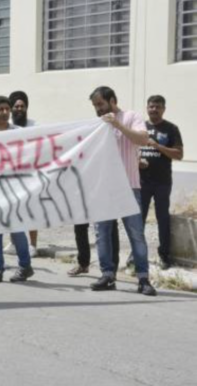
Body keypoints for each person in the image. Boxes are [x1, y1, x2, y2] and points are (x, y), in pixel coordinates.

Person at [88, 86, 157, 296]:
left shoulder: (131, 116)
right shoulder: (96, 125)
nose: (98, 109)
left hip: (129, 187)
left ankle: (143, 279)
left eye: (100, 104)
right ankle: (107, 274)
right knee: (102, 234)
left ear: (112, 100)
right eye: (95, 106)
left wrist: (117, 124)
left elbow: (143, 140)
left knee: (136, 234)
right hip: (104, 189)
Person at [0, 96, 34, 284]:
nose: (4, 113)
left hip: (15, 188)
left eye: (7, 109)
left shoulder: (19, 133)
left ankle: (25, 266)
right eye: (0, 109)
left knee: (17, 229)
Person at [139, 95, 183, 270]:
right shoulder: (139, 128)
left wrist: (158, 146)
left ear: (163, 109)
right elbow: (131, 149)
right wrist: (137, 161)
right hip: (141, 182)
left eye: (157, 107)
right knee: (138, 220)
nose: (153, 110)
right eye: (151, 107)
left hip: (162, 182)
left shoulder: (171, 129)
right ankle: (136, 255)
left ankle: (164, 255)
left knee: (162, 219)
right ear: (147, 108)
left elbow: (179, 155)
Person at [7, 91, 39, 257]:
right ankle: (13, 242)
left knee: (31, 210)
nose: (20, 109)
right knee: (13, 210)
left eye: (22, 106)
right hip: (11, 176)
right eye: (16, 106)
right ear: (11, 109)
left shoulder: (34, 126)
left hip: (30, 175)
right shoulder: (7, 126)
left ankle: (33, 245)